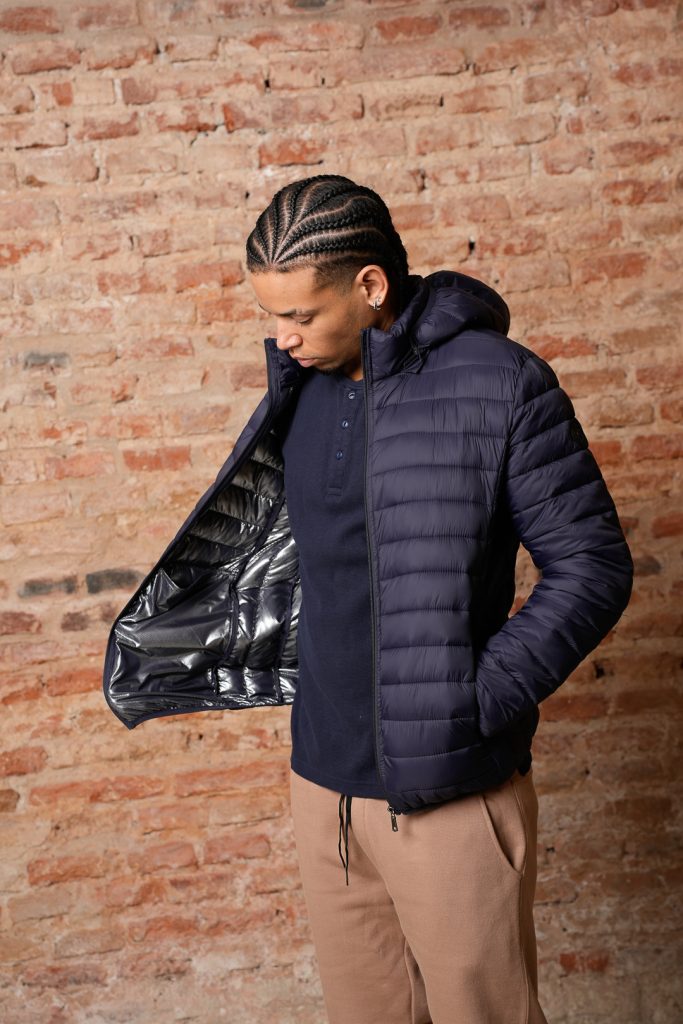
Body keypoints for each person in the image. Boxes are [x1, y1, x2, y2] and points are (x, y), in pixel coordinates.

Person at [102, 174, 634, 1024]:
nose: (281, 337)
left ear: (370, 286)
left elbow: (592, 566)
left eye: (300, 315)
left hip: (447, 789)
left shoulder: (499, 383)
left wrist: (472, 702)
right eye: (270, 316)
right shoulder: (300, 385)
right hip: (324, 787)